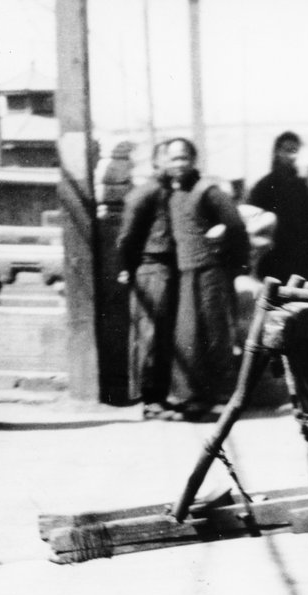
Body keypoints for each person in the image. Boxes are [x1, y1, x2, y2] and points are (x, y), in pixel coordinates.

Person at [159, 137, 250, 421]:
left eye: (183, 158)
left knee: (212, 334)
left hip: (210, 272)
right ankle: (188, 398)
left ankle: (214, 398)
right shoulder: (171, 192)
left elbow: (235, 225)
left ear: (193, 160)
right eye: (173, 159)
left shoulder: (207, 191)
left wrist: (233, 262)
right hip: (185, 273)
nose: (178, 164)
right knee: (187, 337)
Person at [117, 140, 181, 420]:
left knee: (166, 337)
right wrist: (128, 268)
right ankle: (150, 400)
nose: (177, 164)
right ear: (157, 163)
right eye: (170, 158)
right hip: (152, 267)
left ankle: (161, 396)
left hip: (171, 268)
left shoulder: (172, 192)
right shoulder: (147, 192)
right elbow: (127, 237)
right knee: (150, 336)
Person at [247, 131, 308, 282]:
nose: (292, 156)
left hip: (299, 258)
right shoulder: (264, 185)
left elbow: (307, 224)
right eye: (288, 150)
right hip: (272, 258)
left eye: (295, 151)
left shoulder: (301, 185)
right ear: (277, 152)